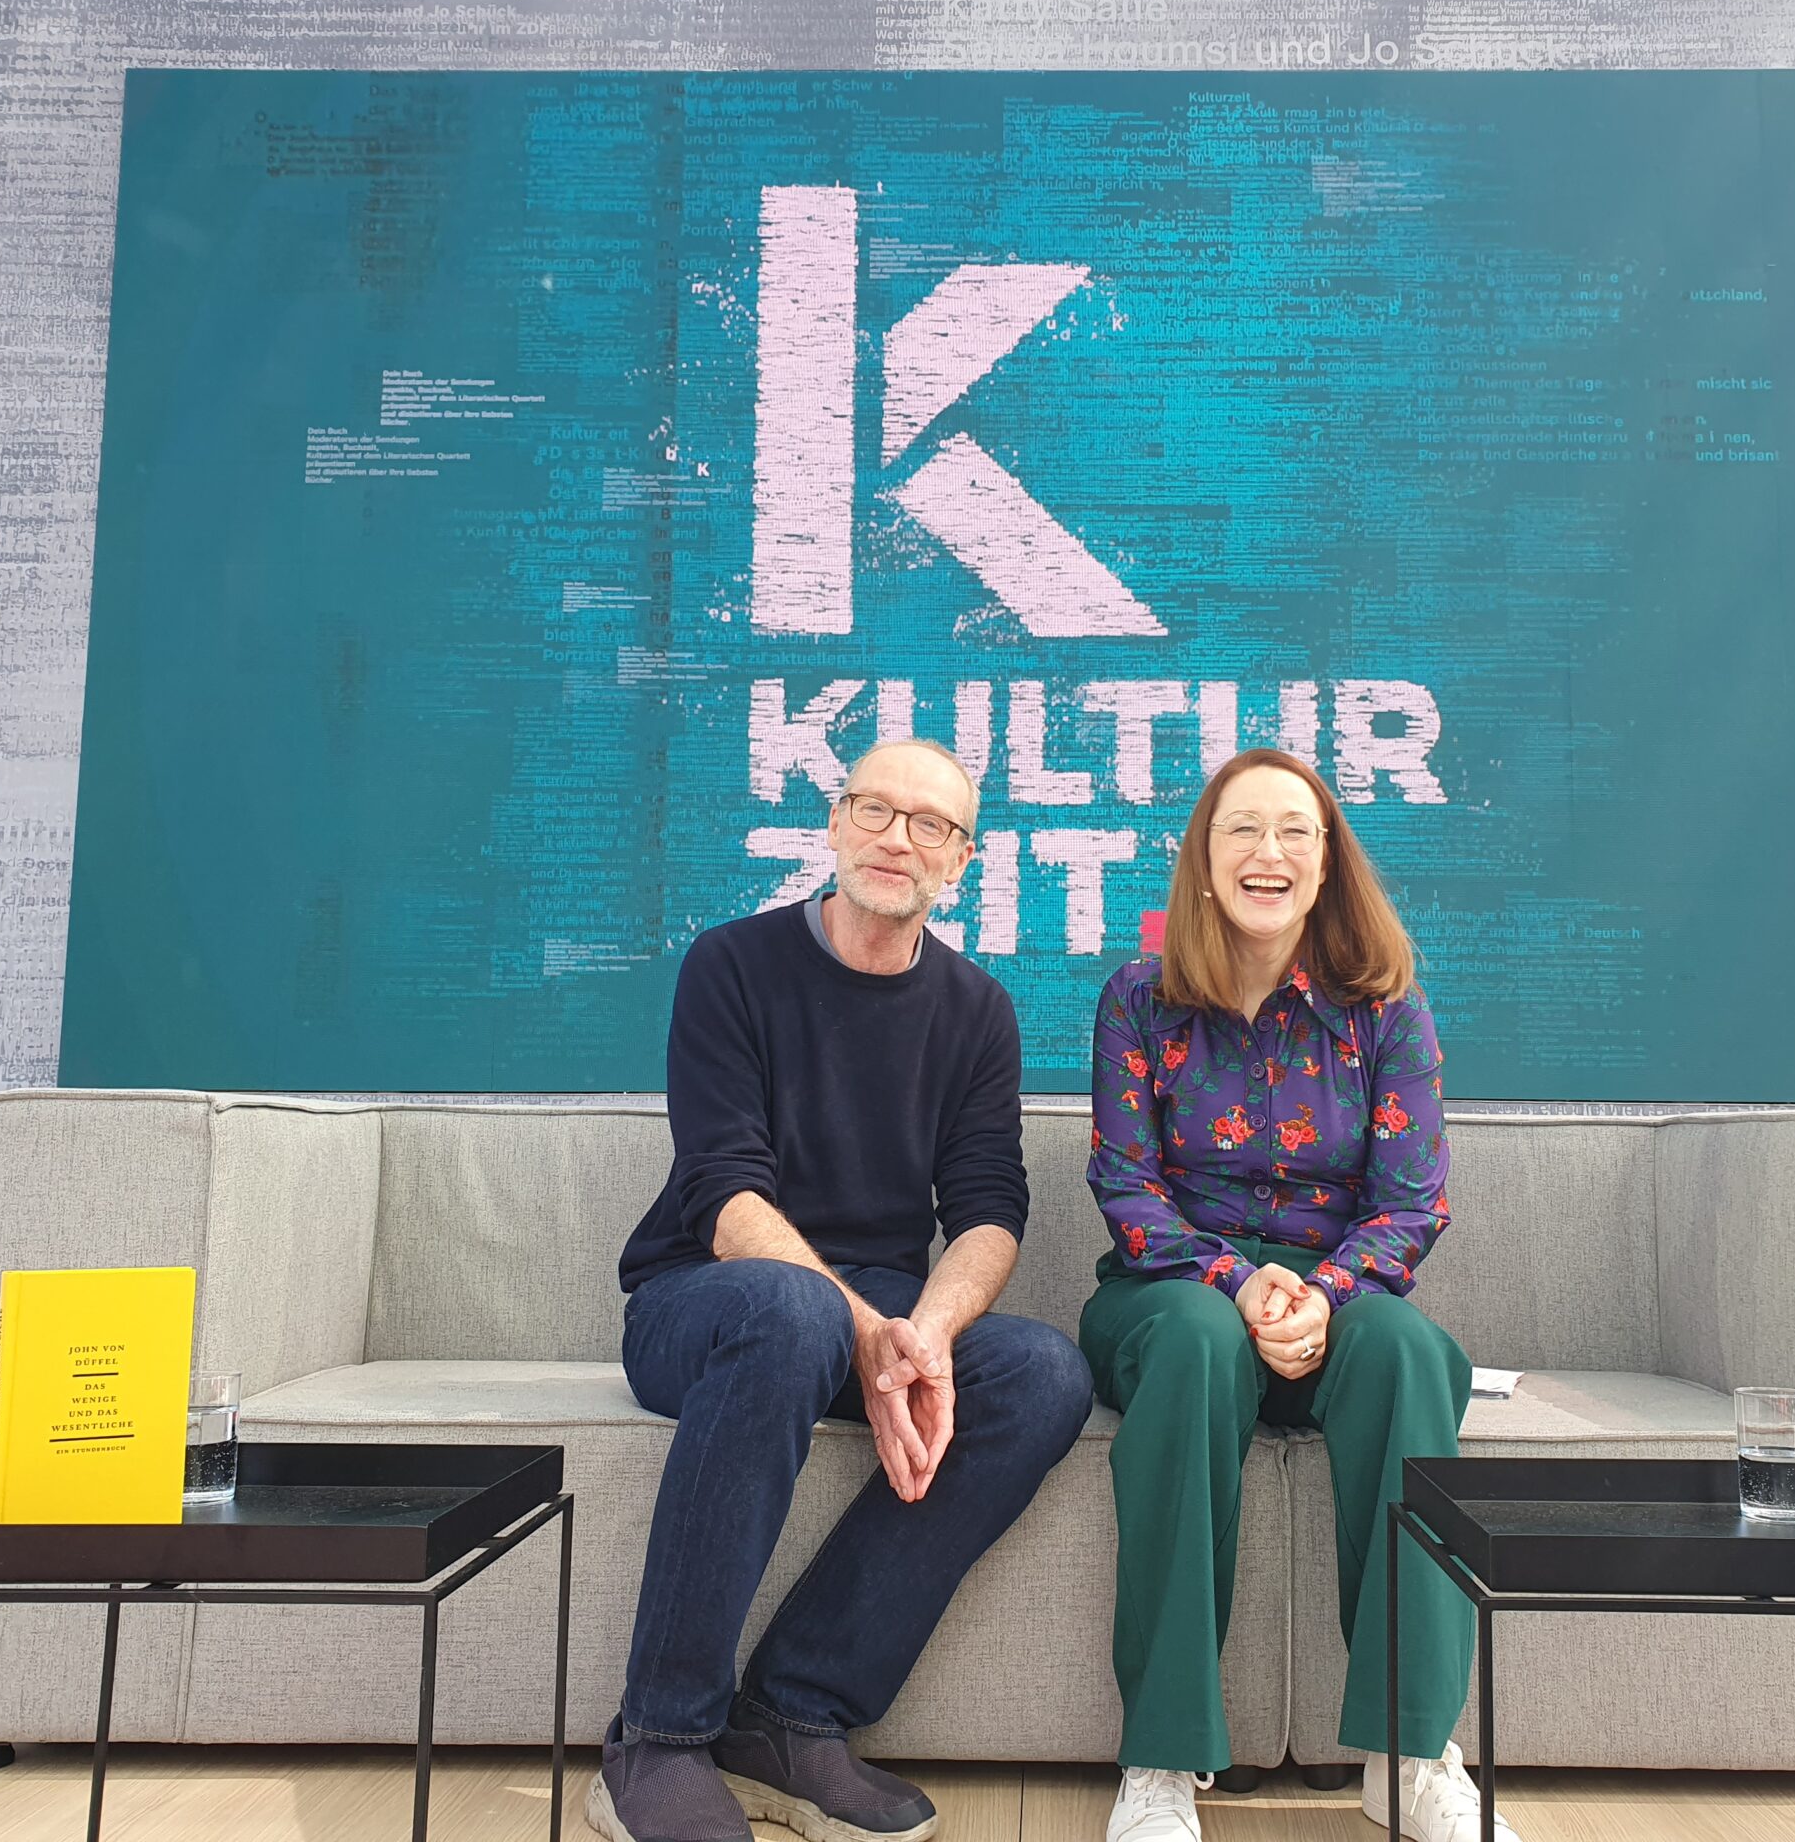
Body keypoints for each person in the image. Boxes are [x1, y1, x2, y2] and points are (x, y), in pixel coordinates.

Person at [592, 738, 1096, 1842]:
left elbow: (987, 1208)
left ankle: (789, 1715)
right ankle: (657, 1740)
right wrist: (863, 1324)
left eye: (931, 825)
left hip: (863, 1311)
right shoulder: (731, 964)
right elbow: (723, 1192)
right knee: (794, 1310)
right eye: (875, 809)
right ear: (833, 822)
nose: (896, 839)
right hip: (704, 1300)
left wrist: (927, 1331)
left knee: (1045, 1374)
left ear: (961, 861)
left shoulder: (976, 1011)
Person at [1082, 748, 1512, 1842]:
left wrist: (1319, 1294)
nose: (1266, 851)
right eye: (1241, 829)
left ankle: (1412, 1756)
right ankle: (1161, 1760)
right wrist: (1236, 1281)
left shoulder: (1387, 1012)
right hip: (1173, 1290)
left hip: (1335, 1295)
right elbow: (1124, 1184)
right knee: (1193, 1340)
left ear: (1325, 866)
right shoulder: (1137, 998)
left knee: (1407, 1350)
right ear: (1203, 860)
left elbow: (1411, 1204)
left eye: (1293, 832)